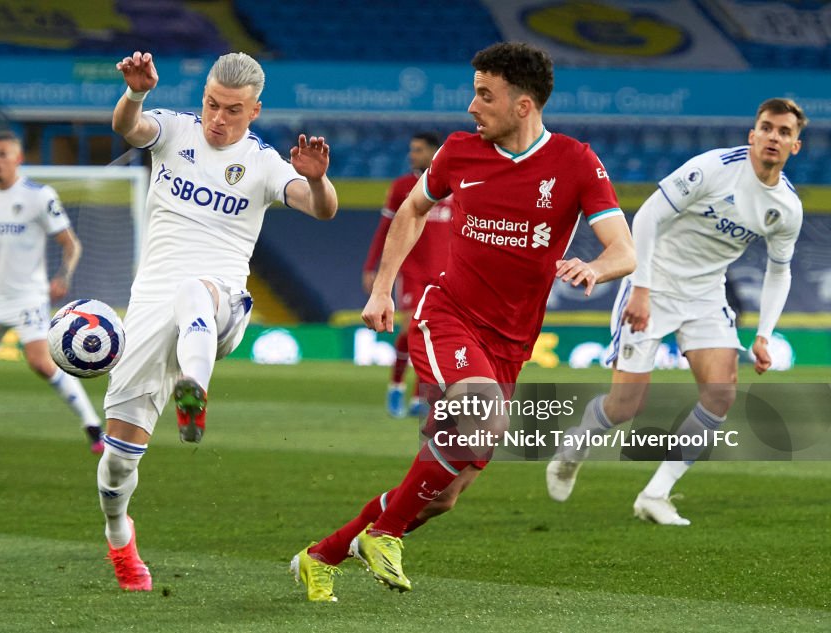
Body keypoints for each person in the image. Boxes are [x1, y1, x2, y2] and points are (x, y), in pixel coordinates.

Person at [290, 42, 636, 601]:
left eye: (484, 95)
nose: (472, 107)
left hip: (511, 343)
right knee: (483, 417)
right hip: (447, 314)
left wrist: (595, 267)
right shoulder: (458, 152)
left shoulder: (575, 162)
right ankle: (384, 534)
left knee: (440, 495)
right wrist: (383, 289)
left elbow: (624, 250)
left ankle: (321, 555)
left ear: (523, 105)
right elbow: (413, 210)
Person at [99, 50, 337, 592]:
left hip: (221, 304)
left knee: (195, 292)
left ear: (254, 111)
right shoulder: (174, 131)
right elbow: (127, 126)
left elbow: (322, 209)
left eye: (232, 109)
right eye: (211, 103)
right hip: (148, 310)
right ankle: (120, 537)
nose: (217, 117)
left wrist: (319, 182)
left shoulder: (264, 162)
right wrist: (135, 92)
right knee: (116, 468)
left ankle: (194, 392)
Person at [546, 98, 806, 526]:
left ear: (795, 145)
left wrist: (764, 333)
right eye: (767, 128)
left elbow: (780, 272)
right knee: (625, 405)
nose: (773, 137)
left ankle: (656, 493)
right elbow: (648, 216)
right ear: (752, 134)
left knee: (721, 395)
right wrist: (642, 289)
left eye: (784, 132)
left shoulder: (787, 209)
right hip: (653, 281)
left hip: (705, 295)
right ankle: (574, 449)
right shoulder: (714, 168)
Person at [0, 130, 103, 455]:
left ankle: (93, 427)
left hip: (28, 296)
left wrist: (63, 276)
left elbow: (70, 244)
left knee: (42, 363)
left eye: (2, 154)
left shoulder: (39, 195)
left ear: (18, 159)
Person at [362, 132, 454, 418]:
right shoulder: (403, 187)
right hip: (412, 270)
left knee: (434, 336)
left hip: (444, 273)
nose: (412, 155)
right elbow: (385, 229)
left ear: (434, 152)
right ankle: (397, 385)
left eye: (418, 150)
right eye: (411, 150)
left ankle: (419, 398)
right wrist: (371, 266)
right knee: (410, 329)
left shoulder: (454, 186)